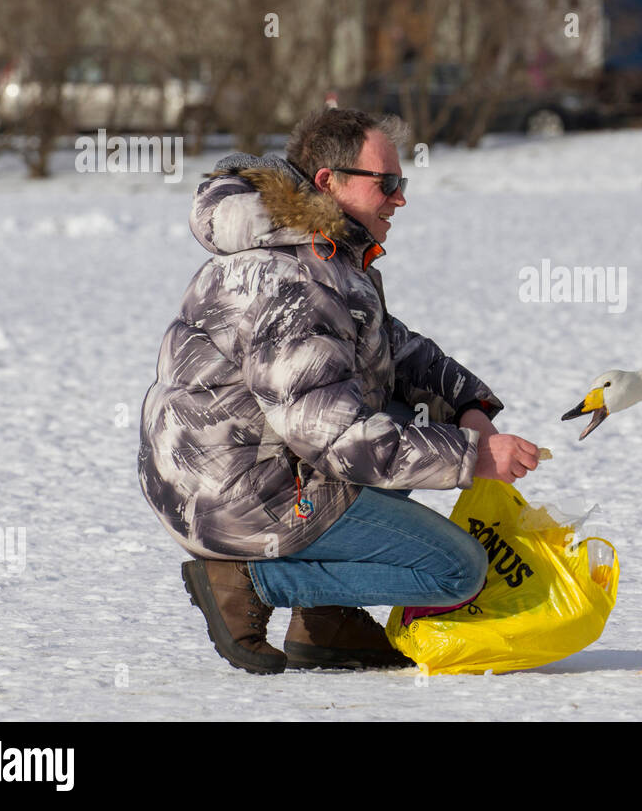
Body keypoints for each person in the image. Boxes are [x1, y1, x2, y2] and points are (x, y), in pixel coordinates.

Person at [138, 108, 541, 674]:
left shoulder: (323, 253)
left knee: (403, 411)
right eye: (389, 183)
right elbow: (338, 437)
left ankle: (324, 618)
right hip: (232, 498)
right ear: (329, 182)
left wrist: (467, 405)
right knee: (456, 570)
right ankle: (248, 579)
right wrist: (471, 457)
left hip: (242, 467)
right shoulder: (294, 280)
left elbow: (388, 347)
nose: (400, 199)